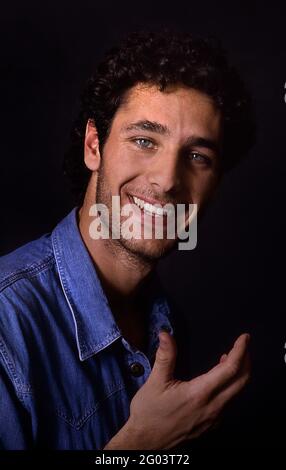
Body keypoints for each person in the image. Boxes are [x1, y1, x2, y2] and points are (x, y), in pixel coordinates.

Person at [0, 29, 255, 450]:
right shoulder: (8, 327)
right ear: (94, 146)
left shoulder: (167, 323)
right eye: (144, 140)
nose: (168, 179)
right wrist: (140, 447)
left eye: (197, 157)